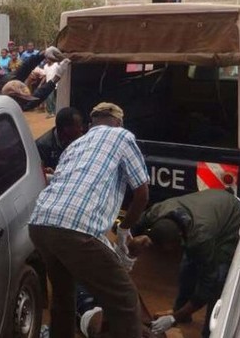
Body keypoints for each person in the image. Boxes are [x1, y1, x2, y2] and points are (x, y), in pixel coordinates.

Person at [28, 102, 150, 338]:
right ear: (118, 121)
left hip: (41, 224)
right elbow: (142, 193)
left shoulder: (75, 145)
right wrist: (124, 230)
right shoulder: (122, 136)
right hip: (77, 230)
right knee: (125, 298)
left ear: (91, 123)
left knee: (64, 295)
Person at [138, 190, 240, 337]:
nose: (168, 254)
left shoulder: (200, 237)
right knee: (187, 268)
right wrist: (125, 242)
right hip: (210, 206)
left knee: (217, 279)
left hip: (231, 219)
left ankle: (210, 331)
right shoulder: (157, 211)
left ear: (180, 236)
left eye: (170, 248)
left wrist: (172, 319)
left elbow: (207, 284)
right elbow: (136, 224)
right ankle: (182, 313)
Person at [0, 46, 69, 111]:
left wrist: (43, 54)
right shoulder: (0, 104)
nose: (9, 81)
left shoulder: (0, 90)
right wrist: (56, 78)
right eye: (4, 81)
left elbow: (23, 70)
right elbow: (33, 99)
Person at [36, 107, 84, 172]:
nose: (81, 129)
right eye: (77, 126)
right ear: (66, 128)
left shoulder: (80, 139)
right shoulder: (43, 146)